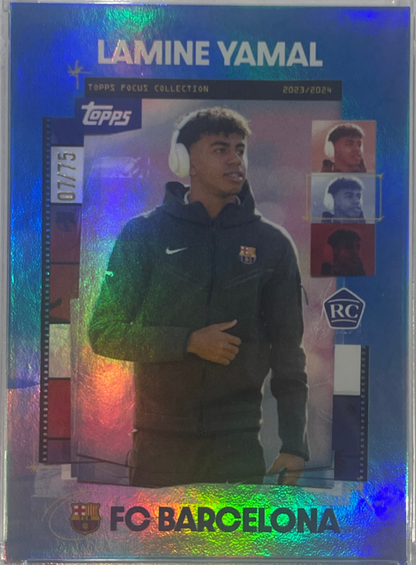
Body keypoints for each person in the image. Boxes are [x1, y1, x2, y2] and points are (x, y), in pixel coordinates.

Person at [88, 107, 309, 488]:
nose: (235, 160)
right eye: (220, 149)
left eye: (240, 150)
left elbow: (289, 353)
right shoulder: (143, 234)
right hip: (158, 446)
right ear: (184, 160)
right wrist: (188, 342)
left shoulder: (272, 244)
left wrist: (294, 445)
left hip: (237, 447)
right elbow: (103, 332)